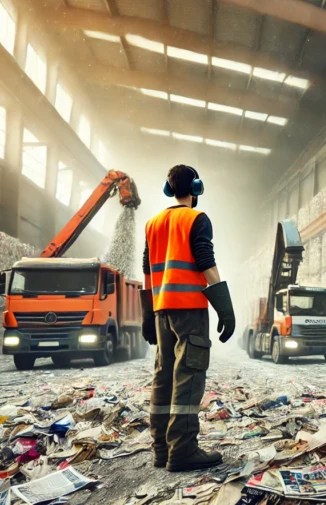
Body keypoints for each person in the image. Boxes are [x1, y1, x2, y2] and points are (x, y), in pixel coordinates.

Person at [140, 165, 236, 472]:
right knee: (189, 375)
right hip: (189, 307)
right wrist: (224, 305)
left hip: (160, 309)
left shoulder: (153, 223)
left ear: (169, 189)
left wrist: (147, 313)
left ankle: (160, 449)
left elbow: (147, 271)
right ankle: (182, 450)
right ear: (196, 188)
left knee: (163, 373)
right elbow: (205, 259)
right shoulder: (196, 218)